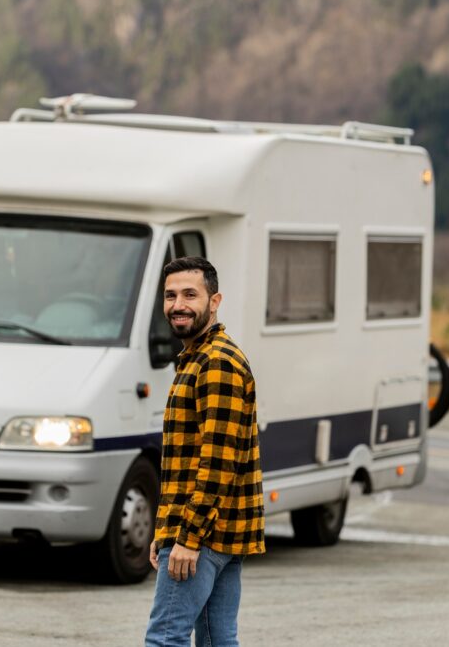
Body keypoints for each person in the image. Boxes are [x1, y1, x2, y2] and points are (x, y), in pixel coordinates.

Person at [145, 256, 265, 647]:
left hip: (204, 534)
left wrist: (187, 537)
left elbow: (217, 461)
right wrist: (165, 529)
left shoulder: (216, 363)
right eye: (170, 295)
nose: (178, 304)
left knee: (165, 639)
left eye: (190, 295)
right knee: (216, 641)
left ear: (214, 301)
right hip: (216, 533)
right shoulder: (199, 357)